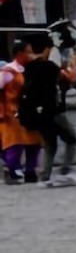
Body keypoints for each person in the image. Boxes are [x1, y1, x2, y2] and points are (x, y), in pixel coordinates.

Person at [19, 36, 76, 185]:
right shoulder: (49, 66)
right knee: (72, 138)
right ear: (47, 49)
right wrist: (75, 65)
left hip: (37, 112)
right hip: (53, 110)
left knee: (49, 144)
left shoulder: (28, 68)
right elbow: (70, 78)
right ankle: (65, 171)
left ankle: (45, 176)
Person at [0, 41, 42, 184]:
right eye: (28, 52)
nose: (31, 55)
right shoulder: (8, 71)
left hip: (30, 110)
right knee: (15, 143)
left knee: (34, 141)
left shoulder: (30, 69)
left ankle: (30, 170)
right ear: (19, 54)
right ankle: (11, 170)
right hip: (13, 111)